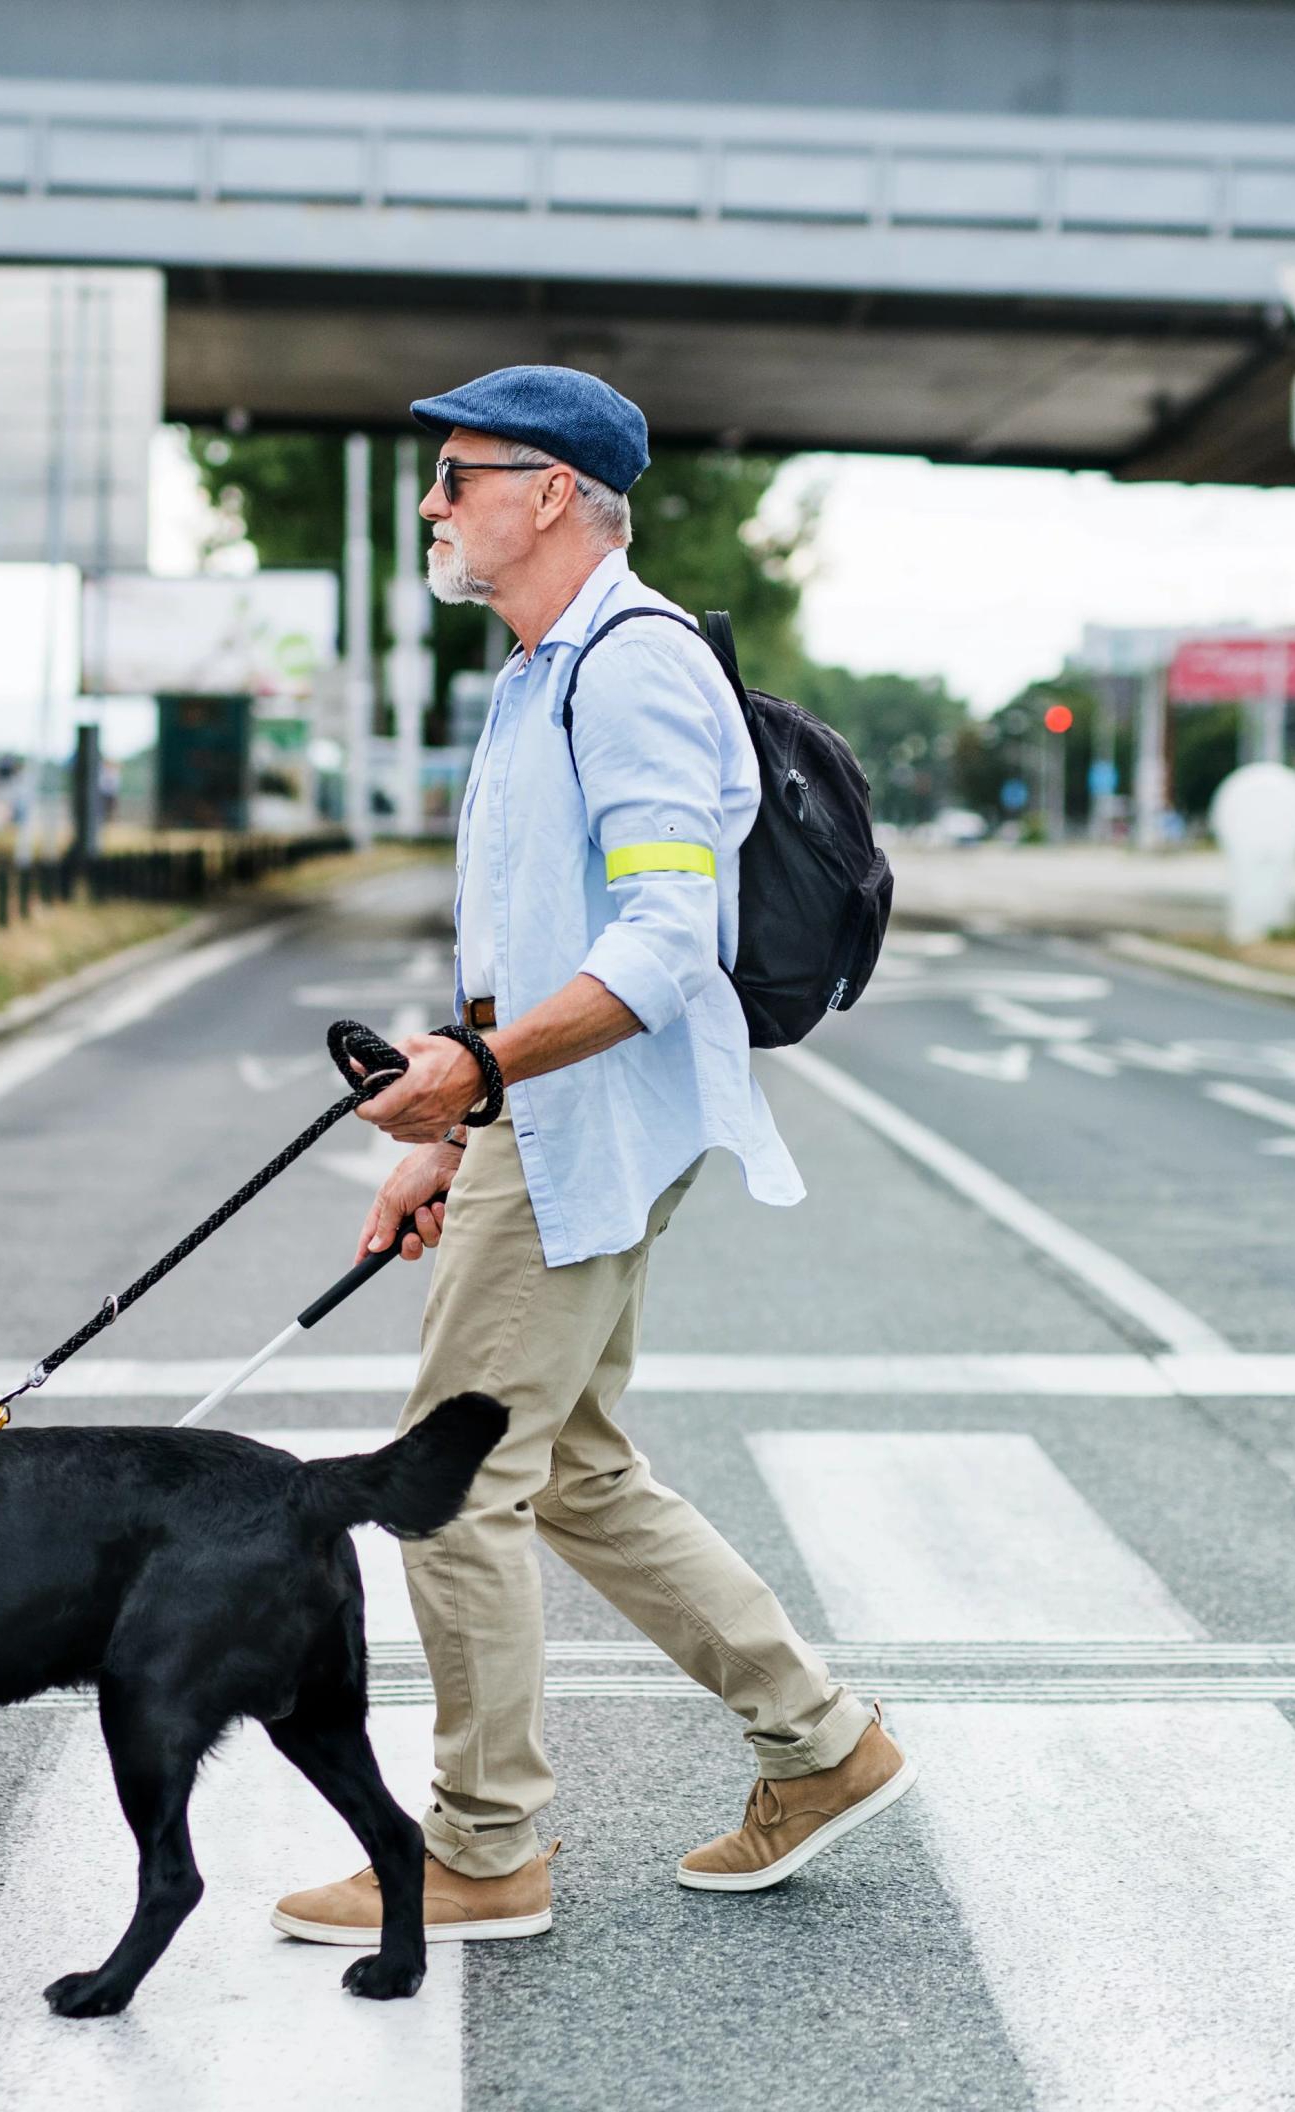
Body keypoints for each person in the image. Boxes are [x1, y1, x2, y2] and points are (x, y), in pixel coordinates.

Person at [273, 366, 905, 1951]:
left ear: (551, 493)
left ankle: (485, 1849)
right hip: (550, 1116)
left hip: (593, 1117)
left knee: (452, 1488)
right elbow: (541, 939)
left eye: (458, 475)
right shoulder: (543, 670)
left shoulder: (630, 671)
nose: (435, 502)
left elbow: (666, 940)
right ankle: (820, 1744)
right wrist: (462, 1112)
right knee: (569, 1468)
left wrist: (480, 1077)